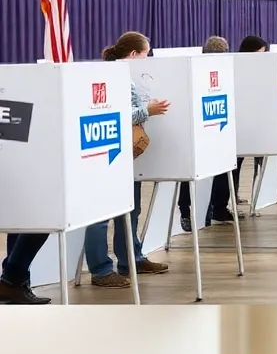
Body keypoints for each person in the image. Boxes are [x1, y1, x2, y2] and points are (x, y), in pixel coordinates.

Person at [83, 32, 172, 290]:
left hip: (121, 153)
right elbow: (118, 115)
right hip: (108, 153)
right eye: (146, 54)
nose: (148, 59)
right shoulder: (114, 78)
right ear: (133, 54)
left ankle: (132, 259)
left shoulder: (120, 76)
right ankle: (101, 270)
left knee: (130, 209)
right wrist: (148, 111)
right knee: (101, 214)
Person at [179, 35, 237, 231]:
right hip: (205, 133)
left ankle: (200, 211)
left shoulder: (201, 70)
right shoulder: (205, 71)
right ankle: (192, 212)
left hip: (210, 131)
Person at [208, 35, 269, 216]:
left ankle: (227, 201)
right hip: (231, 126)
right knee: (229, 168)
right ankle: (219, 206)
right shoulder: (234, 67)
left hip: (244, 125)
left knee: (236, 166)